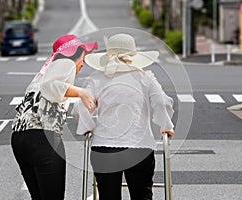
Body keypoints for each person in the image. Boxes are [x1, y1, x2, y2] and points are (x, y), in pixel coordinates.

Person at [73, 33, 174, 200]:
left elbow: (80, 108)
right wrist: (166, 126)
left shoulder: (97, 78)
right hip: (139, 145)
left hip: (104, 146)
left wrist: (87, 127)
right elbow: (162, 102)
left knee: (108, 196)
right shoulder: (145, 77)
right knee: (142, 195)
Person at [11, 34, 98, 200]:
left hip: (19, 137)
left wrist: (86, 118)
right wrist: (82, 92)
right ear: (74, 53)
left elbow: (65, 102)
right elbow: (52, 87)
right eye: (83, 55)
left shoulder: (44, 73)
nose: (84, 62)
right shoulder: (65, 64)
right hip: (43, 138)